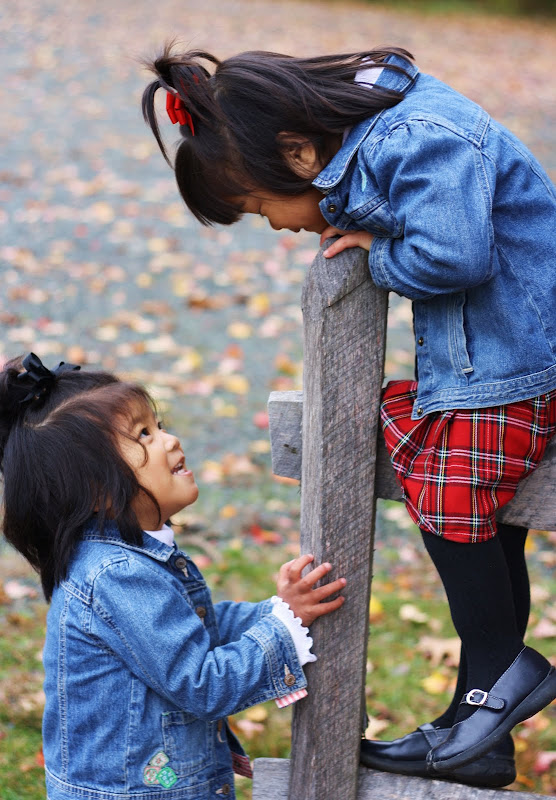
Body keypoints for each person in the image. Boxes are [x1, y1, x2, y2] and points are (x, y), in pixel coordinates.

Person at [141, 44, 556, 788]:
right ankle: (481, 727)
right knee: (478, 515)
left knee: (452, 492)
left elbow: (455, 256)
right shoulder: (391, 131)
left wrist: (380, 251)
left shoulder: (416, 138)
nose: (276, 226)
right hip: (487, 366)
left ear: (298, 154)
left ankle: (501, 680)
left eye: (261, 208)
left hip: (518, 366)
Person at [0, 352, 346, 800]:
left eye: (158, 425)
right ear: (98, 490)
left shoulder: (131, 558)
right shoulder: (117, 575)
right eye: (143, 434)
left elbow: (196, 629)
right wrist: (283, 628)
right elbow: (203, 683)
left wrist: (282, 611)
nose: (170, 439)